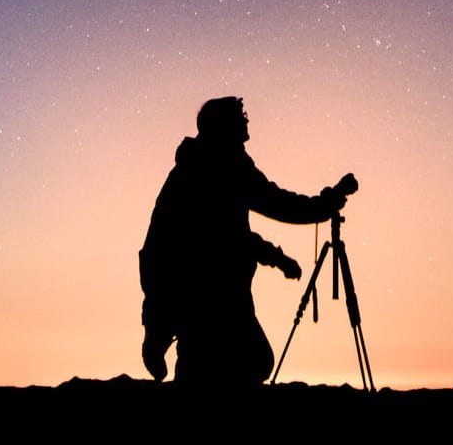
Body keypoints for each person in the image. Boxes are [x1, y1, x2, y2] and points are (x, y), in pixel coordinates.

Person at [138, 96, 354, 385]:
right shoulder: (221, 163)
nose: (246, 119)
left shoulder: (203, 162)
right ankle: (163, 333)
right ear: (223, 124)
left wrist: (277, 258)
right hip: (204, 287)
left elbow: (228, 235)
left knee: (234, 361)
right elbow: (276, 204)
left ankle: (163, 333)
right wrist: (325, 205)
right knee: (242, 362)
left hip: (200, 286)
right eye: (240, 115)